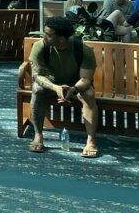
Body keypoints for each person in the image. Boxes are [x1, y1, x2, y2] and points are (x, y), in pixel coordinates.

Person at [27, 16, 99, 157]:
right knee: (37, 89)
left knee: (89, 94)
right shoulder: (40, 46)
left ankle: (91, 141)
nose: (44, 37)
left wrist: (73, 90)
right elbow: (37, 76)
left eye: (48, 34)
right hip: (50, 84)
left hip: (75, 85)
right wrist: (55, 87)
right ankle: (38, 135)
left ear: (61, 38)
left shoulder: (83, 50)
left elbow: (86, 79)